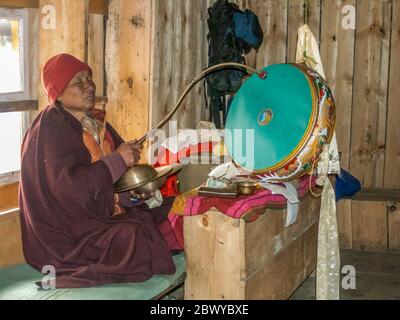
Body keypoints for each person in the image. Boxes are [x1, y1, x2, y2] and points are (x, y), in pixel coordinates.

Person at [19, 53, 182, 289]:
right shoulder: (50, 127)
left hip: (96, 218)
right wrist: (117, 161)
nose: (89, 86)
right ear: (58, 92)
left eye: (89, 79)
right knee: (132, 234)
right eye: (78, 82)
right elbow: (68, 190)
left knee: (172, 208)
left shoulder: (94, 122)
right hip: (66, 237)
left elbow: (116, 183)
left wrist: (136, 194)